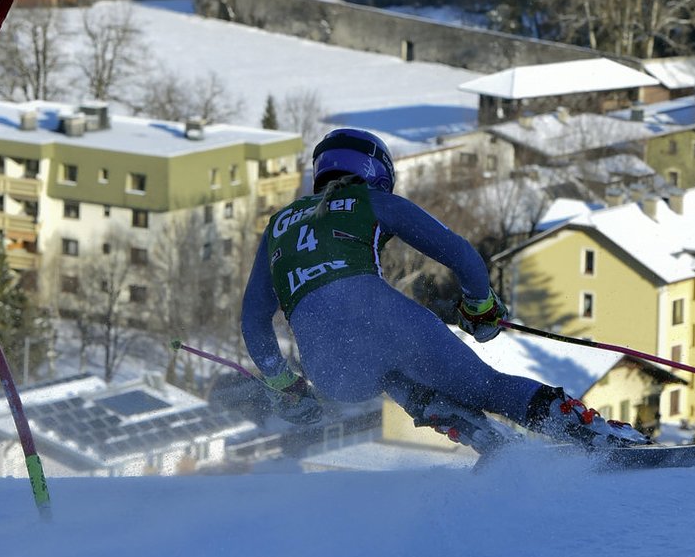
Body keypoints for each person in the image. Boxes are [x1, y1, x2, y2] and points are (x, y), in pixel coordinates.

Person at [241, 126, 647, 453]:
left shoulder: (278, 225)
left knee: (396, 377)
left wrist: (285, 385)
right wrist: (479, 307)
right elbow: (461, 255)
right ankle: (596, 435)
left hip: (328, 370)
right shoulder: (371, 201)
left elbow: (253, 321)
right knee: (486, 385)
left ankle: (488, 443)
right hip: (379, 317)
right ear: (376, 171)